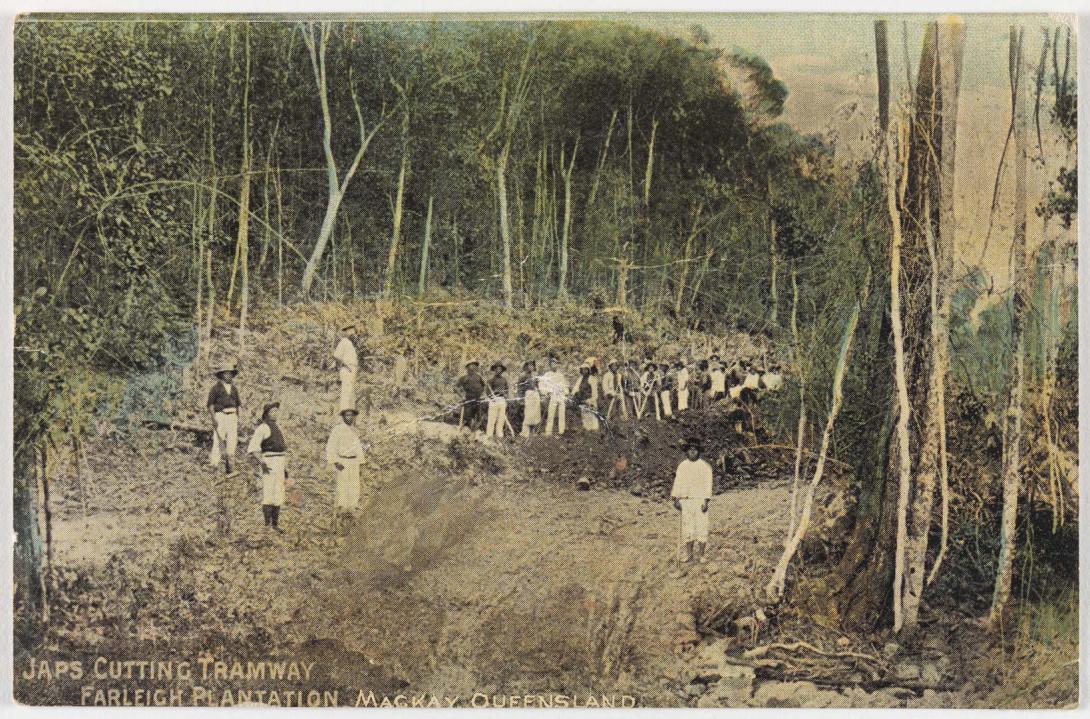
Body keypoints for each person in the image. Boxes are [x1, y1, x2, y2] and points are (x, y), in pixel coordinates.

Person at [671, 440, 714, 565]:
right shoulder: (682, 466)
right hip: (686, 501)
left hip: (699, 500)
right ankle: (689, 554)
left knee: (701, 527)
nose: (693, 451)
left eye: (695, 449)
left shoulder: (705, 467)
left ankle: (701, 555)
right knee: (687, 528)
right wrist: (676, 499)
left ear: (699, 451)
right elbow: (677, 482)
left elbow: (708, 485)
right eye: (690, 449)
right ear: (687, 451)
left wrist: (706, 500)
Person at [246, 401, 288, 531]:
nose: (275, 414)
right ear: (266, 414)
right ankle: (267, 525)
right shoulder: (263, 428)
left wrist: (284, 468)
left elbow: (281, 449)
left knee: (279, 493)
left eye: (276, 411)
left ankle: (275, 525)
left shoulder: (277, 427)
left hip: (280, 461)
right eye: (272, 412)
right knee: (269, 493)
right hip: (269, 461)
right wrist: (262, 463)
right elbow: (253, 448)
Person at [325, 404, 365, 528]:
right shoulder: (337, 430)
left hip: (354, 462)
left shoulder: (354, 430)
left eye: (351, 415)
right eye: (347, 415)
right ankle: (342, 513)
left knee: (354, 486)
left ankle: (351, 511)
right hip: (343, 461)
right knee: (343, 487)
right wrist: (336, 462)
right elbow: (331, 447)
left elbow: (358, 448)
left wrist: (361, 463)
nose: (349, 418)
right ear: (343, 417)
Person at [207, 361, 242, 477]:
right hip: (220, 415)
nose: (228, 376)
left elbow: (238, 404)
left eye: (230, 373)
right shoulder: (215, 388)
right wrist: (213, 419)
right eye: (225, 373)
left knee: (232, 440)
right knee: (218, 439)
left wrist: (238, 417)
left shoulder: (234, 389)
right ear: (221, 375)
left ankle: (230, 466)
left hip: (232, 416)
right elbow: (210, 405)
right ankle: (214, 465)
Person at [541, 355, 568, 436]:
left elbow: (564, 385)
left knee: (562, 414)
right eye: (553, 364)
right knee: (551, 414)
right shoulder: (547, 374)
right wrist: (547, 392)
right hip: (553, 395)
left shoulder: (560, 375)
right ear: (550, 365)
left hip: (561, 395)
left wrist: (565, 393)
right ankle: (548, 431)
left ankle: (561, 431)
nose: (554, 365)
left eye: (556, 364)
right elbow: (542, 385)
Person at [334, 322, 359, 412]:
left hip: (352, 370)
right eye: (351, 330)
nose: (353, 333)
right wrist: (345, 365)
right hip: (347, 369)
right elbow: (336, 355)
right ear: (346, 331)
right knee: (346, 392)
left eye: (353, 331)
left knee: (351, 393)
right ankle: (344, 413)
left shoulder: (350, 343)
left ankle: (349, 415)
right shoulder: (344, 341)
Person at [456, 360, 486, 432]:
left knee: (479, 416)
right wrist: (461, 396)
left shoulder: (479, 377)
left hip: (478, 399)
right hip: (469, 399)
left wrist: (483, 394)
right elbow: (455, 387)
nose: (473, 367)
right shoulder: (464, 378)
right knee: (468, 416)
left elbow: (484, 386)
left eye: (474, 366)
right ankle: (469, 431)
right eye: (471, 365)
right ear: (467, 367)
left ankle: (475, 431)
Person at [485, 362, 510, 439]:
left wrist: (505, 396)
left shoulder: (504, 380)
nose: (498, 370)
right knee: (492, 419)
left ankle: (499, 435)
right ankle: (489, 435)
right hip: (494, 400)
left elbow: (506, 390)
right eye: (497, 369)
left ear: (502, 370)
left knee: (501, 419)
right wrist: (493, 398)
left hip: (502, 400)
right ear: (494, 370)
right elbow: (488, 392)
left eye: (500, 369)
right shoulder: (491, 380)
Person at [572, 363, 599, 431]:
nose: (584, 371)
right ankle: (587, 431)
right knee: (585, 417)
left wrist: (590, 400)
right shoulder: (580, 379)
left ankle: (595, 432)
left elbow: (595, 393)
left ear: (588, 370)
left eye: (585, 370)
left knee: (592, 417)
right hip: (582, 400)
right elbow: (575, 388)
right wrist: (575, 394)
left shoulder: (592, 379)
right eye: (582, 370)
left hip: (590, 400)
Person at [518, 361, 542, 437]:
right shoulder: (523, 375)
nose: (531, 367)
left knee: (536, 413)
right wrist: (521, 399)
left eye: (532, 365)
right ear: (526, 366)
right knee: (528, 413)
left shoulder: (535, 375)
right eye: (529, 365)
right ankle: (525, 432)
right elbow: (520, 387)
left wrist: (540, 395)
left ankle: (534, 431)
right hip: (528, 394)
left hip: (536, 394)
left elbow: (538, 386)